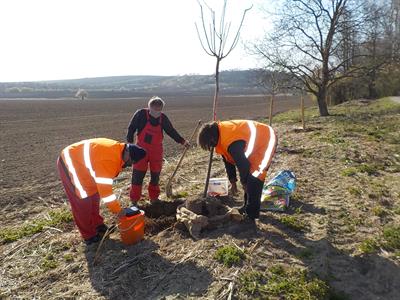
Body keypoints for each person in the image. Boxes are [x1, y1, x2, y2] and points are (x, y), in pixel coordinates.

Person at [57, 138, 146, 245]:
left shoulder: (119, 151)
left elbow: (102, 186)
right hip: (70, 162)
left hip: (83, 167)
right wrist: (118, 211)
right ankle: (88, 235)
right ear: (127, 152)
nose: (130, 164)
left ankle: (97, 224)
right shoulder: (109, 160)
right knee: (83, 200)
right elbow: (106, 193)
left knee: (94, 195)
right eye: (131, 161)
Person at [197, 120, 277, 222]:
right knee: (249, 179)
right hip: (255, 143)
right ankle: (246, 206)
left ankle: (252, 215)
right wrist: (233, 181)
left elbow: (243, 165)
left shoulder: (230, 140)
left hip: (266, 139)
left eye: (210, 145)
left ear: (212, 139)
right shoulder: (221, 137)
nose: (211, 147)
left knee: (255, 176)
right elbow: (228, 160)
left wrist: (244, 183)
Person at [126, 96, 189, 203]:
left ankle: (154, 198)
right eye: (155, 110)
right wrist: (129, 143)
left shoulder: (163, 118)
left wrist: (182, 141)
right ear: (149, 107)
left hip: (156, 151)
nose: (157, 113)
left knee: (155, 176)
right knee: (137, 175)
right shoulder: (140, 114)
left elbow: (171, 131)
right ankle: (134, 200)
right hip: (140, 151)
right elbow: (131, 127)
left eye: (159, 110)